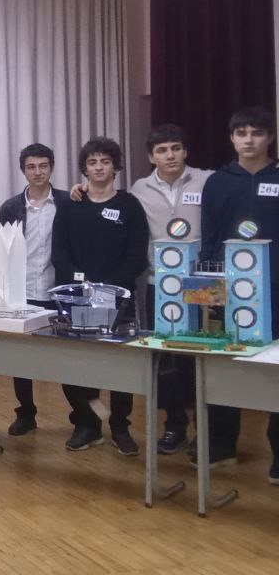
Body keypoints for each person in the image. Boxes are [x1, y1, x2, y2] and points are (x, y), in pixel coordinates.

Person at [51, 137, 149, 455]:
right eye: (92, 162)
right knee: (77, 365)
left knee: (120, 367)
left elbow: (137, 256)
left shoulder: (129, 205)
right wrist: (82, 287)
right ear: (84, 168)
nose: (98, 167)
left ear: (115, 166)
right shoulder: (71, 205)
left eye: (105, 161)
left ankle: (120, 426)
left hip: (119, 300)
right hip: (78, 299)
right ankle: (88, 424)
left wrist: (107, 287)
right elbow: (59, 252)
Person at [199, 107, 279, 479]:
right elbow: (210, 236)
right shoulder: (218, 181)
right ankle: (220, 446)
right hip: (227, 290)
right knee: (223, 366)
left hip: (275, 289)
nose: (249, 139)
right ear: (232, 138)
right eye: (241, 133)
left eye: (257, 132)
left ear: (270, 138)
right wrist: (211, 288)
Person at [126, 125, 211, 455]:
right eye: (162, 150)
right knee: (165, 358)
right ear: (152, 157)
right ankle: (174, 424)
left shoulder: (207, 181)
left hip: (201, 283)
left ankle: (205, 431)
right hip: (158, 284)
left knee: (201, 356)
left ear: (185, 151)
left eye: (176, 148)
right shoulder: (139, 188)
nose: (170, 155)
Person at [0, 144, 70, 436]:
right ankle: (25, 413)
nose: (37, 172)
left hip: (58, 291)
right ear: (23, 170)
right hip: (22, 291)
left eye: (43, 166)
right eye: (31, 167)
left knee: (67, 357)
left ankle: (83, 418)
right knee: (21, 358)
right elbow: (2, 251)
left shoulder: (68, 202)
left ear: (51, 167)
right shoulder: (10, 207)